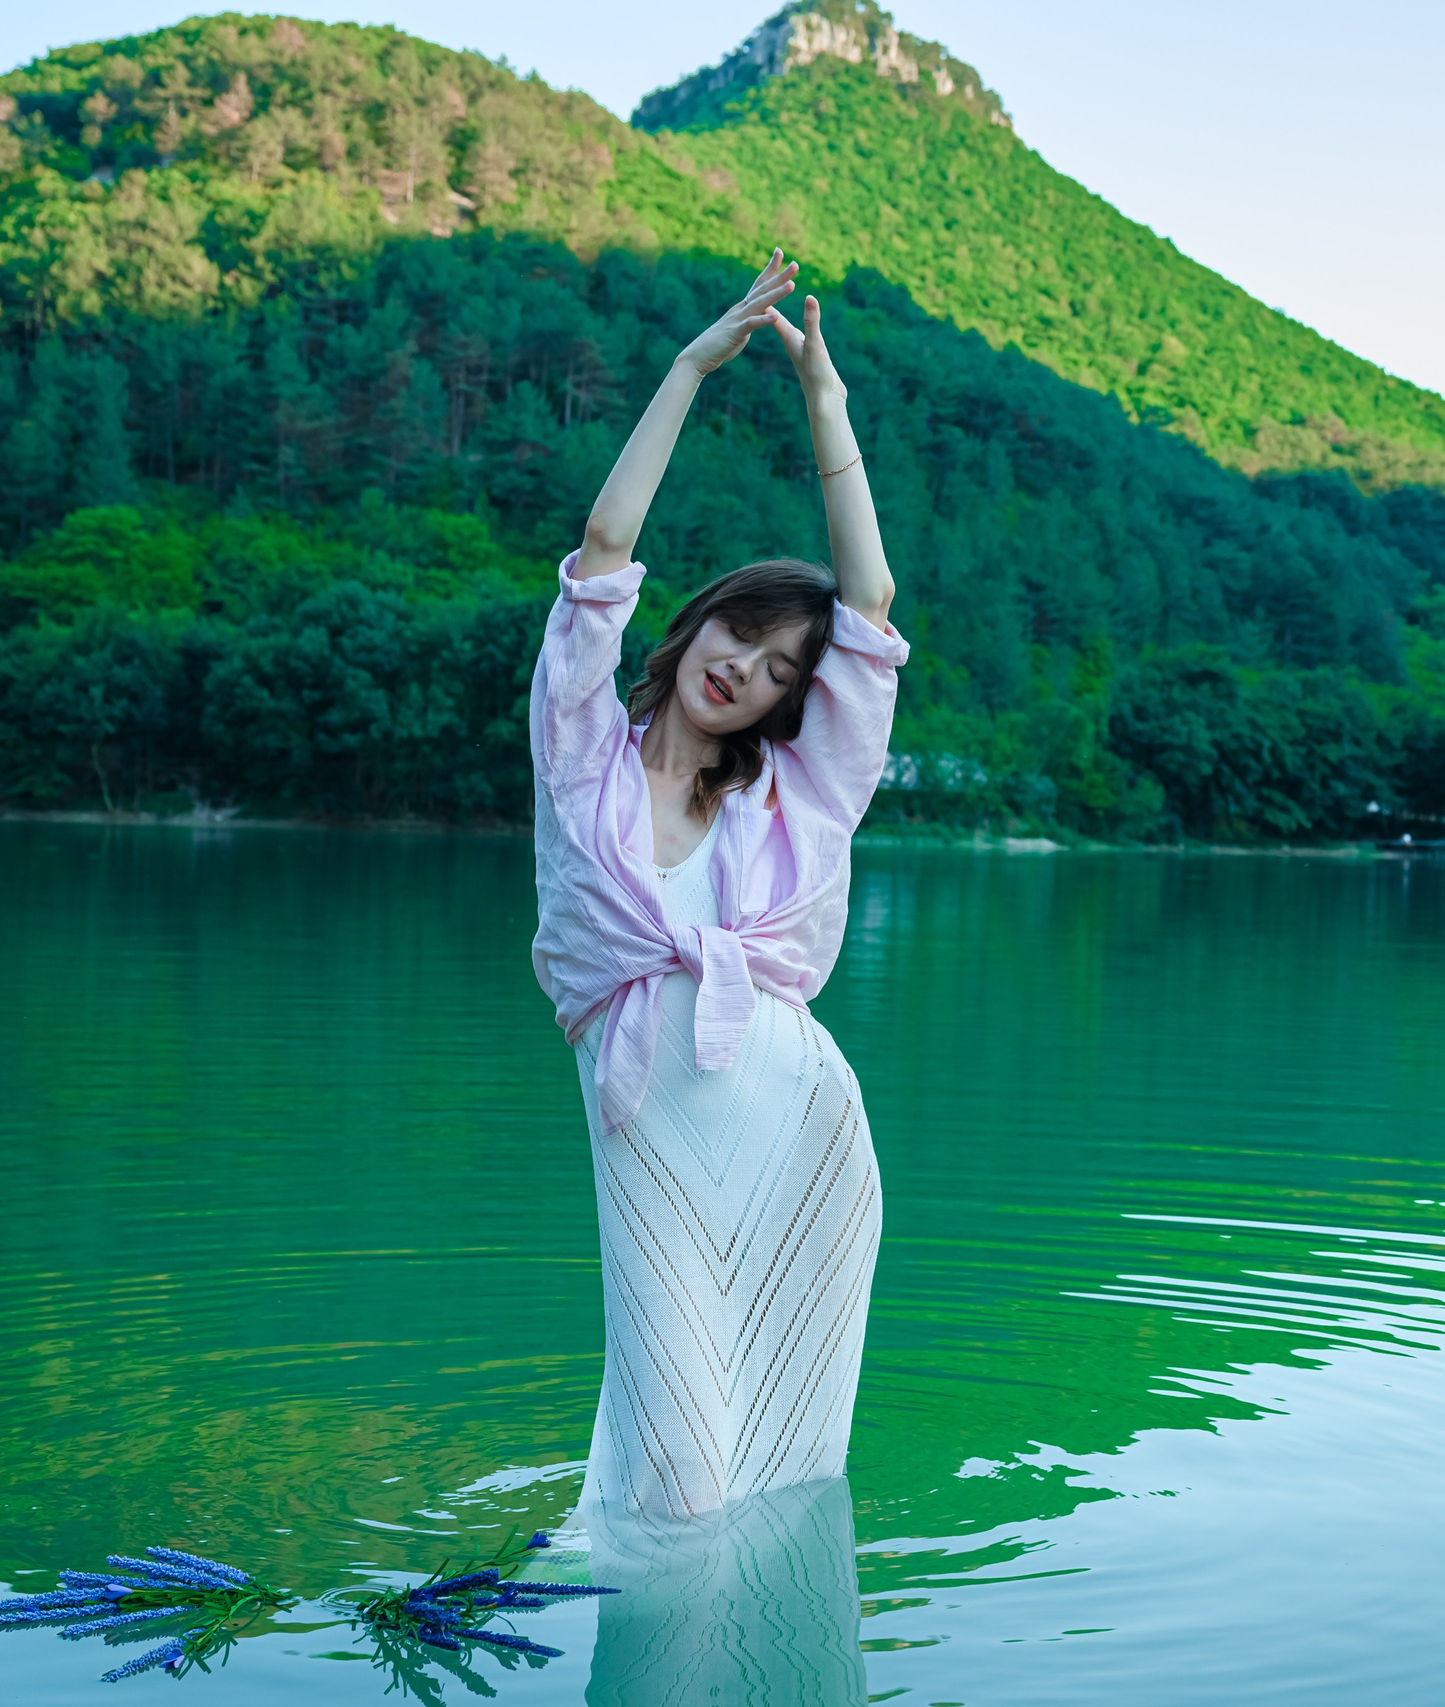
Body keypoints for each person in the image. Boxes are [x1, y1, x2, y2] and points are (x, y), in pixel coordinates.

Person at [530, 252, 905, 1522]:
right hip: (647, 1131)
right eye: (737, 632)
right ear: (690, 626)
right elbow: (601, 547)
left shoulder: (794, 803)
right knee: (682, 1470)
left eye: (782, 670)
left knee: (782, 1467)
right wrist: (691, 369)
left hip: (798, 1131)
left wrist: (827, 410)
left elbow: (872, 605)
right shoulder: (581, 756)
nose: (747, 668)